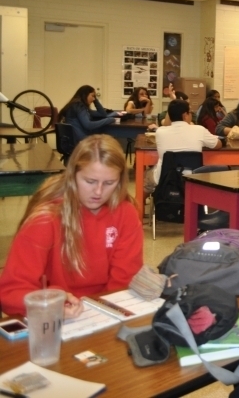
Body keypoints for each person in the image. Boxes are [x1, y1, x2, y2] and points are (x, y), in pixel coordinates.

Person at [0, 135, 143, 316]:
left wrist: (100, 312)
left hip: (105, 311)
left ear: (120, 181)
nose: (98, 192)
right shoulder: (46, 219)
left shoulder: (126, 214)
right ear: (72, 176)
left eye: (109, 183)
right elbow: (10, 292)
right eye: (90, 181)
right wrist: (50, 305)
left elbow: (124, 282)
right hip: (53, 315)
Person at [145, 99, 222, 192]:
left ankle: (143, 200)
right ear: (185, 115)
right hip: (193, 179)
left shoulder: (160, 132)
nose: (191, 115)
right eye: (190, 112)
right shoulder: (199, 130)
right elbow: (218, 144)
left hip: (165, 180)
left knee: (147, 177)